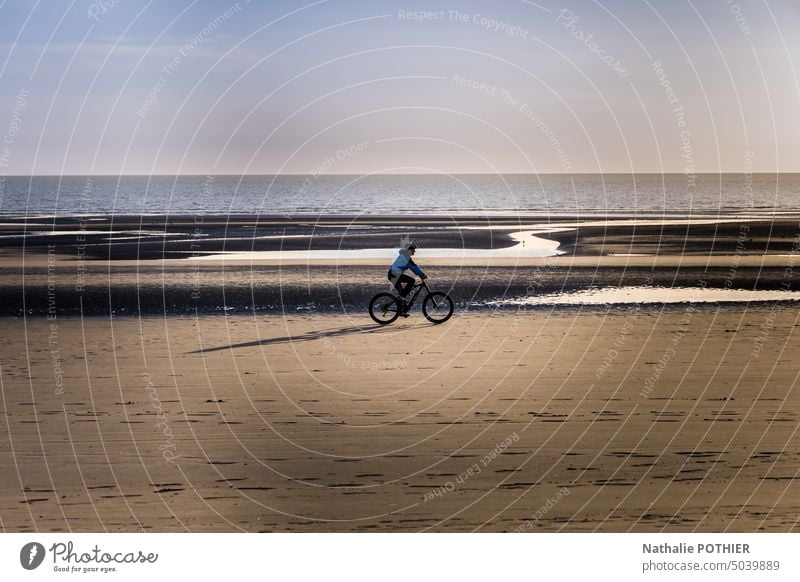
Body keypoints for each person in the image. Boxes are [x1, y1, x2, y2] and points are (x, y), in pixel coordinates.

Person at [388, 240, 426, 316]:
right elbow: (414, 267)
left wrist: (421, 273)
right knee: (411, 281)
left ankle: (401, 310)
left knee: (402, 294)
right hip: (394, 275)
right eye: (413, 249)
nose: (414, 251)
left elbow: (415, 266)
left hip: (394, 275)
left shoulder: (405, 256)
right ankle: (401, 303)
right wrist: (422, 274)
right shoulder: (406, 257)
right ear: (409, 250)